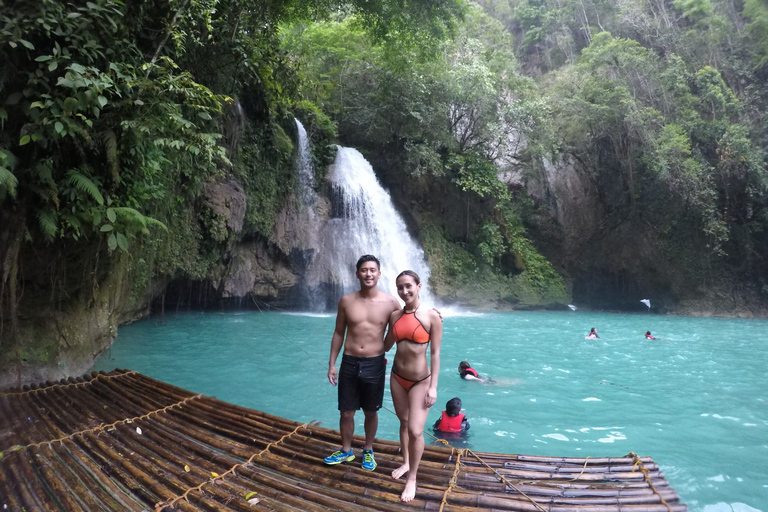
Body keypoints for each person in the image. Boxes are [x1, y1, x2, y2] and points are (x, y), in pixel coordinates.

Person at [324, 255, 400, 471]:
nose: (368, 274)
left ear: (379, 273)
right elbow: (339, 332)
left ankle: (368, 449)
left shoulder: (390, 302)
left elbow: (406, 319)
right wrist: (332, 363)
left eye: (372, 270)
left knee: (370, 411)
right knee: (346, 411)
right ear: (357, 273)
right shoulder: (346, 301)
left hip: (375, 363)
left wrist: (384, 347)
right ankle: (346, 451)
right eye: (364, 270)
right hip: (349, 362)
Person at [384, 270, 442, 502]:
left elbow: (436, 353)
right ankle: (406, 462)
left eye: (408, 286)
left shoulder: (431, 316)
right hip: (397, 377)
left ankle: (413, 478)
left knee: (416, 430)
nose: (404, 291)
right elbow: (386, 344)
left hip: (421, 381)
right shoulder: (395, 316)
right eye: (400, 287)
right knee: (404, 422)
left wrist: (433, 387)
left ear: (419, 286)